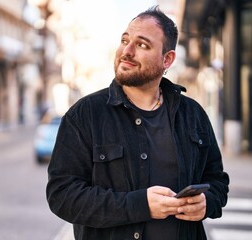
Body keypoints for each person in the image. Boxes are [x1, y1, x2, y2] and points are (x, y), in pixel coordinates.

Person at [46, 5, 229, 240]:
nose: (127, 51)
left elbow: (217, 182)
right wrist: (139, 205)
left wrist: (206, 203)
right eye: (125, 40)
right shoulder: (84, 115)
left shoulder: (193, 115)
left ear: (167, 59)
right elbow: (62, 196)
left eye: (142, 44)